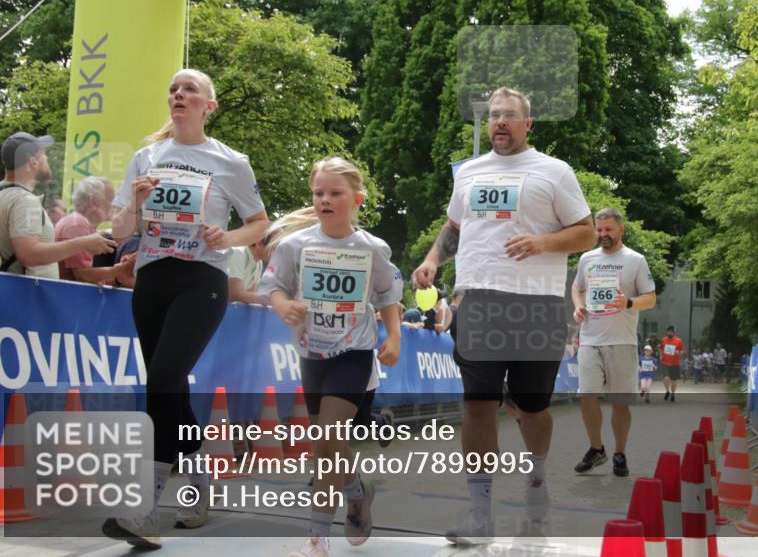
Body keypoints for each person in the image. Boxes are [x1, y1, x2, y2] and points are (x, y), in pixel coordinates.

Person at [413, 87, 595, 543]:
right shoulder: (470, 173)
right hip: (477, 301)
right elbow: (454, 226)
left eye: (509, 116)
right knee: (478, 405)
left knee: (532, 407)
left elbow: (586, 233)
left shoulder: (554, 172)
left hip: (537, 303)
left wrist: (542, 243)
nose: (499, 122)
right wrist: (434, 259)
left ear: (527, 124)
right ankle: (480, 514)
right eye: (493, 115)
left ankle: (535, 483)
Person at [102, 69, 268, 548]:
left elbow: (258, 224)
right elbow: (118, 232)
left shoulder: (229, 161)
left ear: (208, 106)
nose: (179, 94)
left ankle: (147, 507)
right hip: (153, 278)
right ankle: (197, 488)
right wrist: (132, 204)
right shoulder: (146, 156)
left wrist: (229, 236)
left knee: (164, 378)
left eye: (190, 89)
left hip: (203, 278)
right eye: (174, 89)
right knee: (168, 390)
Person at [261, 157, 402, 557]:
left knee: (326, 439)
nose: (325, 199)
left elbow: (389, 295)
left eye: (335, 193)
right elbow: (273, 285)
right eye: (319, 193)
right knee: (329, 446)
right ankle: (357, 489)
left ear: (356, 199)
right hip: (312, 354)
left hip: (354, 353)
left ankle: (317, 539)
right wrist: (283, 305)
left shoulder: (373, 248)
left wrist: (394, 337)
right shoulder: (294, 246)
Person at [570, 208, 656, 477]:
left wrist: (628, 302)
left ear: (621, 230)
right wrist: (578, 307)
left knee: (620, 402)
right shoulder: (587, 258)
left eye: (608, 229)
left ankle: (619, 452)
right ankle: (597, 449)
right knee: (587, 396)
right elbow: (578, 287)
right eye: (599, 229)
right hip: (590, 339)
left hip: (622, 341)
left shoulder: (636, 260)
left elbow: (651, 298)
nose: (603, 234)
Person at [0, 132, 116, 278]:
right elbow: (29, 254)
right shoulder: (24, 200)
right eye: (44, 155)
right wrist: (84, 243)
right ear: (33, 161)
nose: (47, 159)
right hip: (28, 294)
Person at [56, 176, 133, 284]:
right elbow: (84, 275)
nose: (114, 205)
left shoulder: (81, 224)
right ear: (94, 202)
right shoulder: (77, 224)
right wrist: (123, 268)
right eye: (111, 200)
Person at [227, 234, 272, 305]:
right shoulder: (238, 253)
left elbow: (251, 294)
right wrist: (274, 300)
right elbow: (235, 294)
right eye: (274, 247)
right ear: (259, 244)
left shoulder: (258, 262)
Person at [660, 326, 684, 401]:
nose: (669, 333)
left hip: (675, 363)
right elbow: (660, 348)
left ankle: (673, 394)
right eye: (668, 331)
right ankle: (667, 391)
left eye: (671, 331)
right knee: (666, 377)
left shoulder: (678, 341)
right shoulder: (663, 340)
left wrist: (679, 352)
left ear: (674, 332)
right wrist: (661, 355)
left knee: (673, 380)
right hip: (665, 362)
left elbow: (682, 351)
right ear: (666, 332)